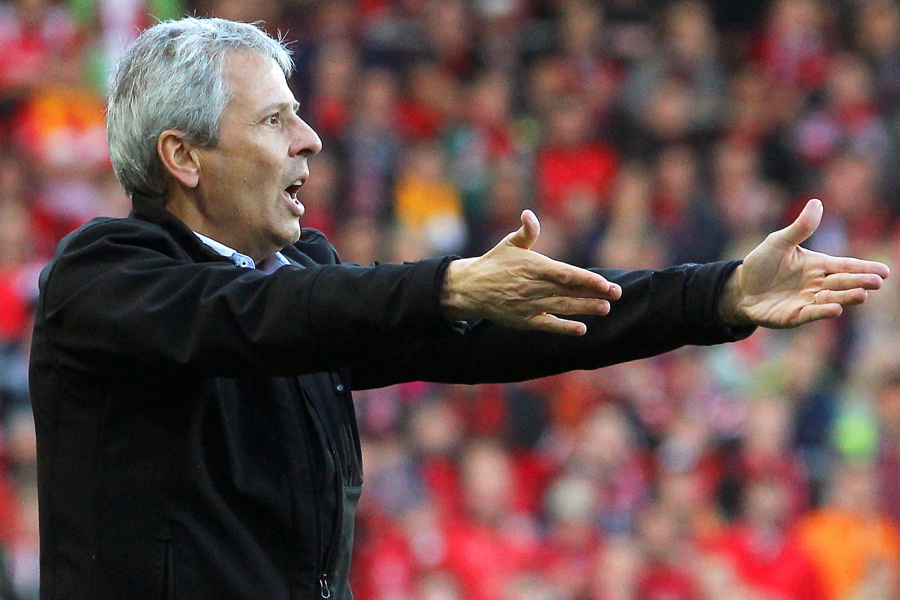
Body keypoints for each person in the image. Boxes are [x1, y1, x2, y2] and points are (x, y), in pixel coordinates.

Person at [27, 17, 889, 600]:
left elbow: (516, 329)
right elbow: (256, 318)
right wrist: (444, 286)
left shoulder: (306, 279)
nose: (310, 139)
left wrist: (720, 295)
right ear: (183, 155)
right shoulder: (103, 278)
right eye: (275, 120)